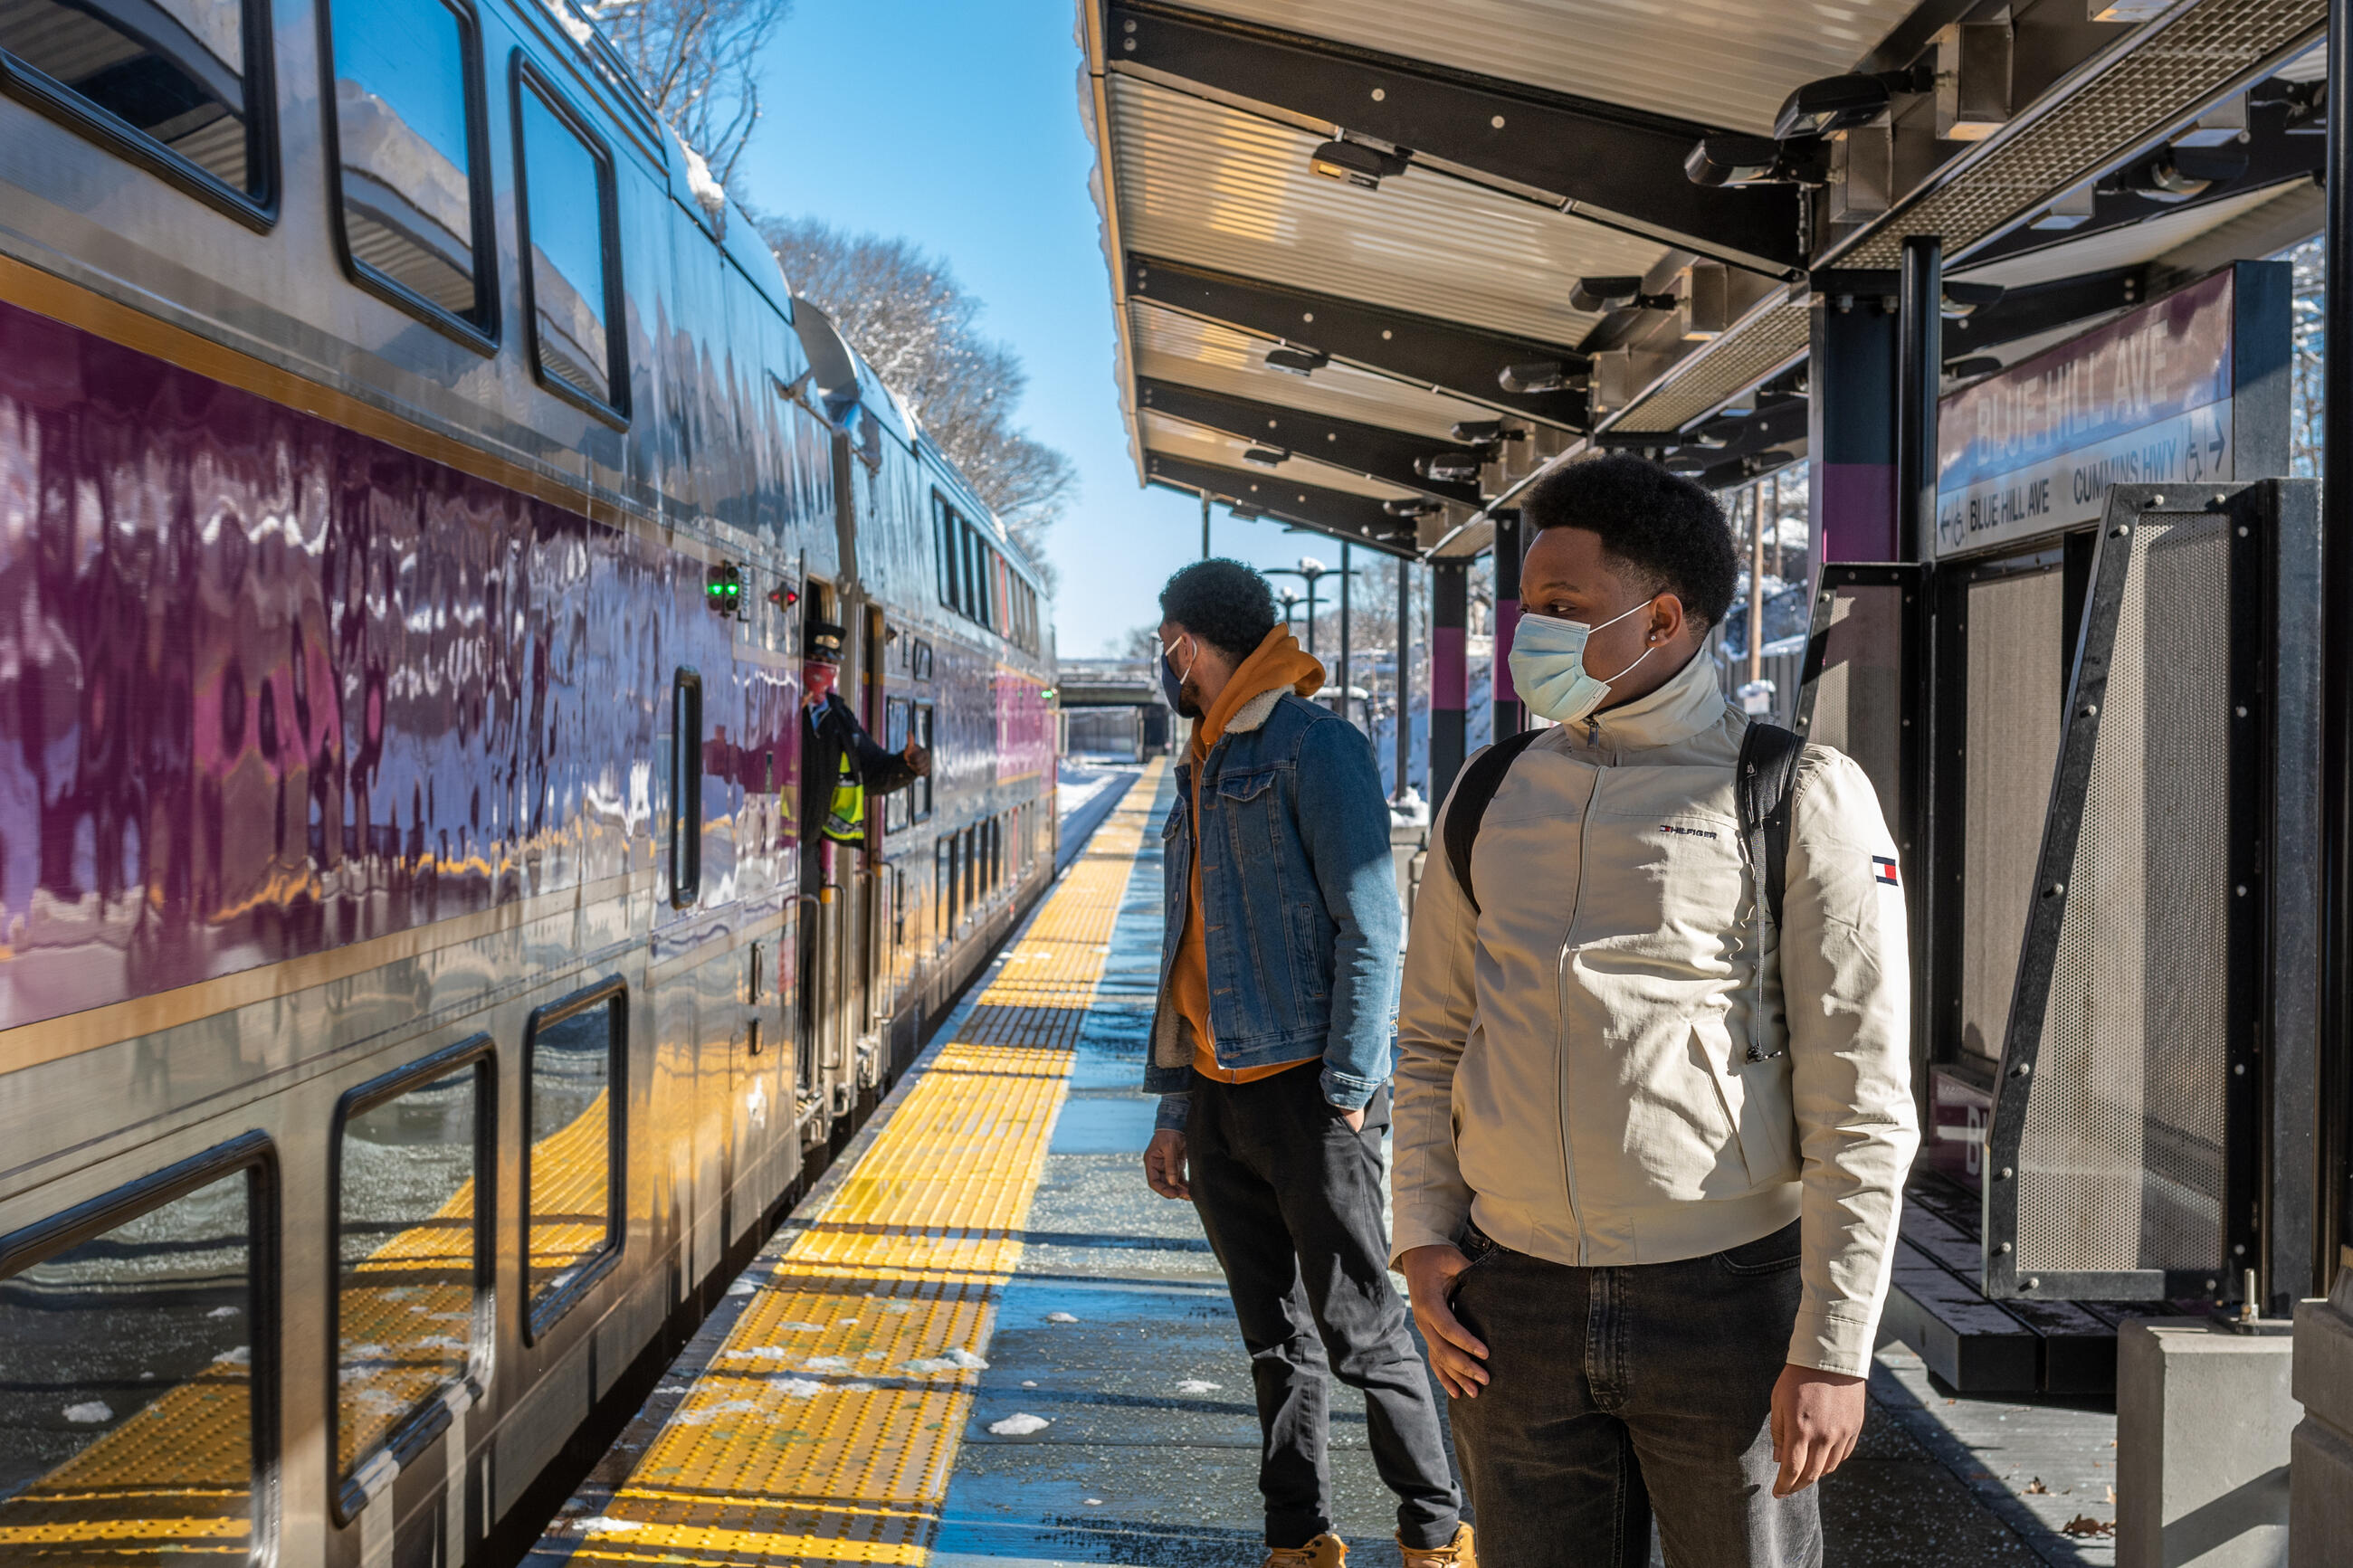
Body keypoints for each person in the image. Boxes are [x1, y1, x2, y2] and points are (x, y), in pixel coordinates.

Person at [1392, 456, 1918, 1568]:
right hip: (1512, 1303)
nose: (1524, 634)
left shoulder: (1797, 792)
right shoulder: (1487, 793)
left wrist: (1833, 1347)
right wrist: (1424, 1236)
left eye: (1559, 609)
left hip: (1724, 1302)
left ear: (1661, 618)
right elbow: (1434, 1036)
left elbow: (1860, 1092)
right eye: (1524, 606)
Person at [1138, 560, 1472, 1568]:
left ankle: (1435, 1529)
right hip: (1216, 1096)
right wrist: (1171, 1106)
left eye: (1166, 645)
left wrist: (1345, 1092)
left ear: (1187, 644)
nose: (1165, 664)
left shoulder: (1314, 748)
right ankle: (1298, 1533)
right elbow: (1184, 948)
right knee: (1270, 1340)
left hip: (1303, 1093)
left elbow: (1372, 924)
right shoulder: (1199, 758)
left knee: (1363, 1331)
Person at [799, 617, 929, 859]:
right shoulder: (777, 708)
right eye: (815, 659)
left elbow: (869, 771)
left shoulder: (839, 717)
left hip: (807, 851)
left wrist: (908, 765)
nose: (821, 669)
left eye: (829, 662)